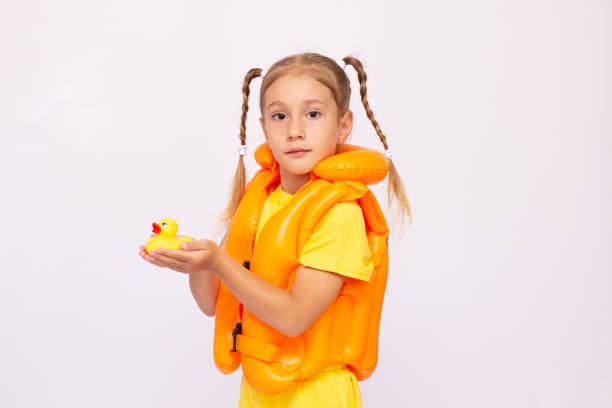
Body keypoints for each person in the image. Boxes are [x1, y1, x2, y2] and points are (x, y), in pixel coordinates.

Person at [138, 52, 412, 407]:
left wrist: (219, 263)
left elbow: (294, 318)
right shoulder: (260, 201)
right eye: (280, 116)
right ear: (264, 127)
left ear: (343, 125)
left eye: (313, 114)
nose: (295, 130)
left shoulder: (340, 215)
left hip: (314, 394)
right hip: (259, 392)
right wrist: (195, 262)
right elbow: (212, 303)